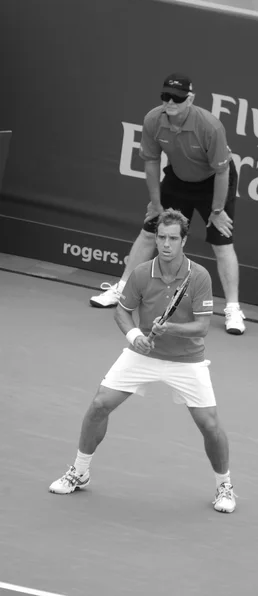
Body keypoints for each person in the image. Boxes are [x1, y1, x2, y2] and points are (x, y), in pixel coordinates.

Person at [49, 209, 236, 514]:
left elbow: (202, 327)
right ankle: (79, 471)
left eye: (172, 238)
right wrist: (135, 335)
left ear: (183, 241)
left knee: (210, 425)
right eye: (161, 237)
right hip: (143, 354)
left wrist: (171, 328)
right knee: (99, 405)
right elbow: (121, 311)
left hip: (186, 360)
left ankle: (224, 486)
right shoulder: (140, 273)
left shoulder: (199, 276)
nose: (165, 244)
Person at [90, 72, 246, 336]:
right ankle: (123, 288)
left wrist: (217, 211)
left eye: (177, 97)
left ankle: (233, 308)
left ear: (190, 99)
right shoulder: (153, 119)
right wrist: (156, 202)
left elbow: (222, 172)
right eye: (166, 96)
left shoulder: (210, 126)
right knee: (150, 230)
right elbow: (151, 161)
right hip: (178, 178)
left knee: (222, 243)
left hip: (213, 181)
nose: (170, 102)